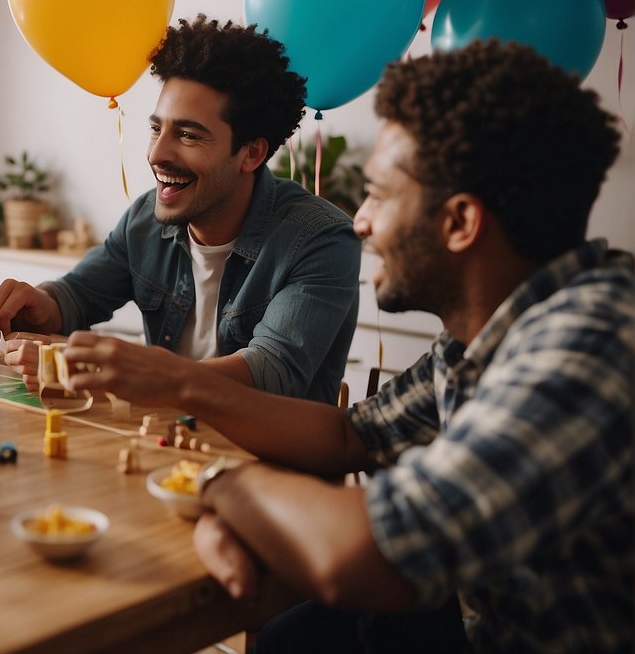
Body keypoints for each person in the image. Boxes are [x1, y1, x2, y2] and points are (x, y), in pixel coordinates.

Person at [76, 41, 631, 653]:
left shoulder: (587, 349)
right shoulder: (479, 340)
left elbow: (365, 555)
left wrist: (221, 491)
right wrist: (181, 384)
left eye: (381, 194)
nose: (360, 220)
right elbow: (348, 436)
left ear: (460, 223)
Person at [0, 16, 360, 404]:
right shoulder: (146, 218)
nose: (157, 154)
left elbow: (271, 372)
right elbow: (77, 295)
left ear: (252, 153)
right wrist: (40, 303)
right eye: (155, 129)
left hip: (274, 461)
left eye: (187, 135)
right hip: (168, 451)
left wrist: (113, 369)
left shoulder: (321, 238)